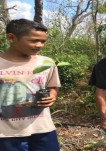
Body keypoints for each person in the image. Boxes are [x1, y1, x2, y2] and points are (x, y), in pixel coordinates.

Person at [0, 19, 61, 151]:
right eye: (33, 40)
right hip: (6, 134)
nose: (39, 45)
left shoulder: (46, 63)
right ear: (11, 38)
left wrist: (52, 95)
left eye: (43, 41)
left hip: (43, 129)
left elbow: (52, 86)